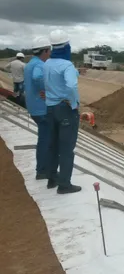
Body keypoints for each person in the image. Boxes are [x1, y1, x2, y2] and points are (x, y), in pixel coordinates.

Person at [43, 29, 82, 194]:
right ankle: (64, 184)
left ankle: (52, 178)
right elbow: (71, 86)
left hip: (50, 108)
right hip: (64, 109)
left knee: (53, 144)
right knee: (66, 148)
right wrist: (74, 103)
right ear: (67, 46)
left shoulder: (46, 64)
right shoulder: (67, 65)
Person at [24, 37, 52, 180]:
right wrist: (47, 89)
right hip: (41, 108)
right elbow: (38, 78)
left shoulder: (30, 64)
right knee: (45, 139)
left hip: (33, 106)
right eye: (49, 51)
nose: (50, 54)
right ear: (45, 51)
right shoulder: (40, 65)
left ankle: (43, 168)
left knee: (44, 138)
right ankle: (42, 170)